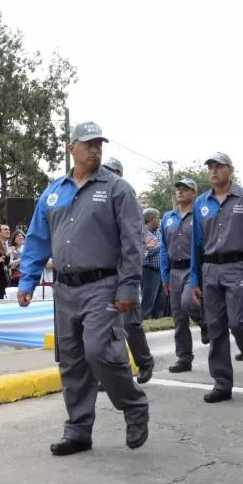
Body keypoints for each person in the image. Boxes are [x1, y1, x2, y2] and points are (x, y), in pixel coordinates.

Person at [17, 122, 149, 456]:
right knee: (72, 360)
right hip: (65, 289)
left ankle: (133, 405)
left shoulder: (118, 189)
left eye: (98, 144)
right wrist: (28, 279)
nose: (95, 149)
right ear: (71, 147)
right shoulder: (54, 191)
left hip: (103, 285)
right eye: (88, 144)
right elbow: (37, 238)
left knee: (98, 350)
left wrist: (128, 287)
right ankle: (78, 430)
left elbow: (132, 242)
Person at [190, 152, 243, 402]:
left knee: (238, 323)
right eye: (210, 167)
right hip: (210, 269)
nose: (213, 171)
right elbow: (196, 246)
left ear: (230, 170)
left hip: (238, 268)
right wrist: (195, 279)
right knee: (216, 328)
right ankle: (222, 382)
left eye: (218, 166)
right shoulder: (201, 202)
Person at [104, 156, 153, 383]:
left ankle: (144, 362)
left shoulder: (126, 194)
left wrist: (131, 277)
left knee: (130, 323)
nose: (105, 174)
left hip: (125, 271)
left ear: (120, 174)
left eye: (110, 170)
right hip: (102, 272)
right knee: (106, 327)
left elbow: (134, 240)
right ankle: (115, 374)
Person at [160, 178, 206, 373]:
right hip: (174, 271)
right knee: (179, 317)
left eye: (185, 189)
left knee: (189, 303)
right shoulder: (167, 217)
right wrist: (164, 275)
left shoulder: (200, 215)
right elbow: (163, 247)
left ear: (194, 193)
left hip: (193, 268)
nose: (180, 191)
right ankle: (184, 358)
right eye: (178, 188)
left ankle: (206, 324)